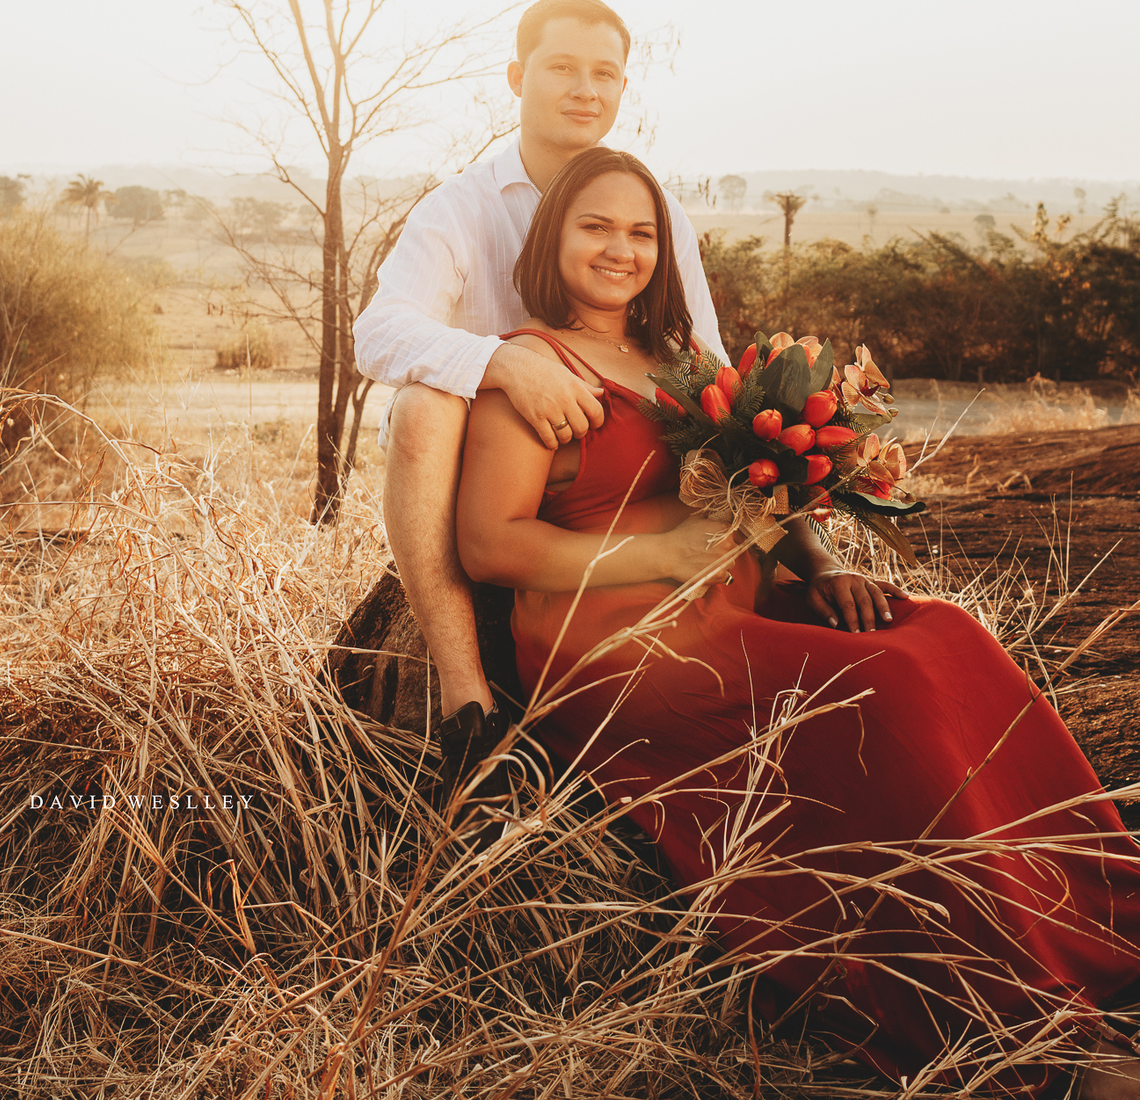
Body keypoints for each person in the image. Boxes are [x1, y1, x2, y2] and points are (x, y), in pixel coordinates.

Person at [455, 146, 1140, 1100]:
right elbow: (491, 544)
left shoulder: (681, 359)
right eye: (595, 227)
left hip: (733, 595)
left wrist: (817, 563)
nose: (621, 250)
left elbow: (754, 489)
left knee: (944, 636)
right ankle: (1012, 1019)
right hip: (618, 634)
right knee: (883, 686)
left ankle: (1095, 908)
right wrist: (662, 558)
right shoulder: (534, 368)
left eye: (641, 232)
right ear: (552, 239)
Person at [353, 0, 724, 796]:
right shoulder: (462, 206)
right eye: (562, 68)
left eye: (605, 74)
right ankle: (465, 694)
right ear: (518, 77)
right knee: (424, 405)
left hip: (602, 472)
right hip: (479, 474)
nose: (585, 90)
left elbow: (709, 359)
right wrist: (504, 363)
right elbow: (377, 334)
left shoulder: (652, 211)